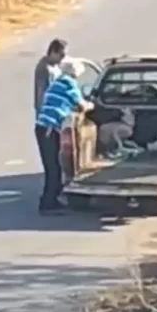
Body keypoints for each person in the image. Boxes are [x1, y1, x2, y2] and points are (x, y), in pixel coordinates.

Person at [34, 59, 94, 213]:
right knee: (53, 167)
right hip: (48, 128)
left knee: (53, 166)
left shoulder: (59, 82)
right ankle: (48, 204)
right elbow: (81, 105)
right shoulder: (69, 84)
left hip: (44, 127)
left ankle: (51, 200)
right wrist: (92, 105)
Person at [33, 39, 68, 116]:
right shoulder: (44, 69)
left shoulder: (55, 66)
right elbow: (41, 95)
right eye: (61, 55)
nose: (63, 59)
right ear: (53, 52)